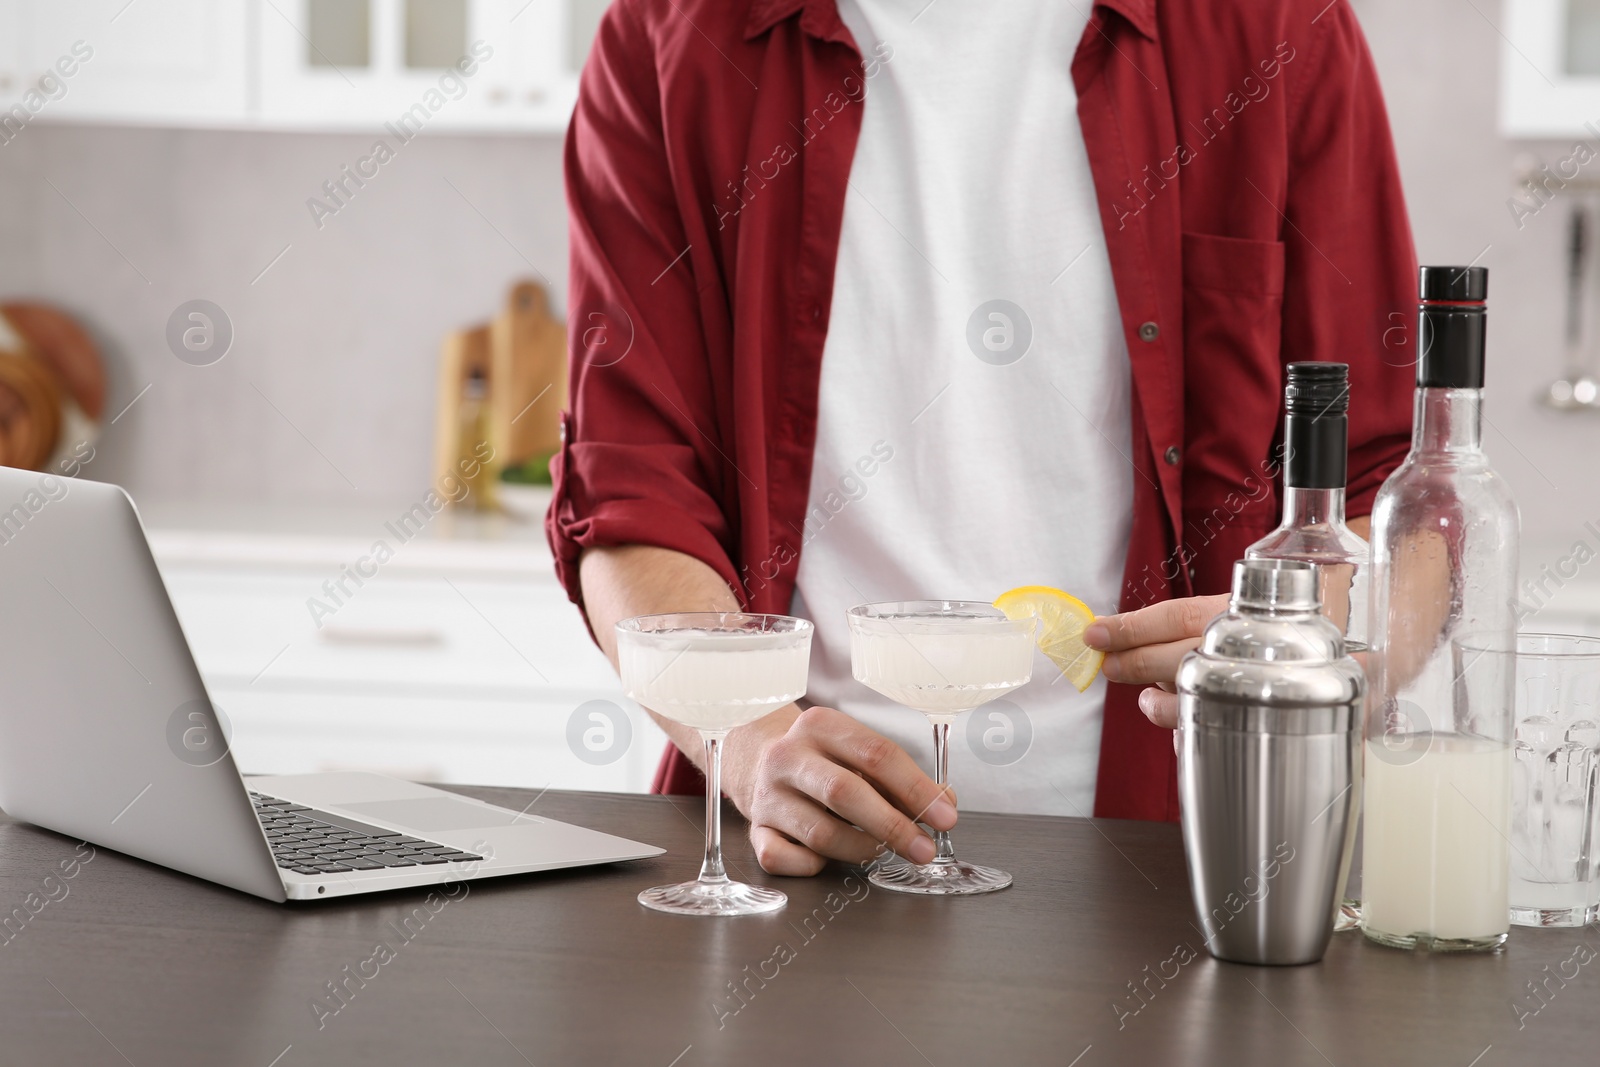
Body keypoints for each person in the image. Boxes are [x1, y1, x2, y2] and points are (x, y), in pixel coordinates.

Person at [548, 0, 1416, 876]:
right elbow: (628, 495)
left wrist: (1298, 644)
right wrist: (752, 741)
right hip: (795, 859)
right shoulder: (668, 30)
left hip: (1196, 853)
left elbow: (1395, 496)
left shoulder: (1276, 26)